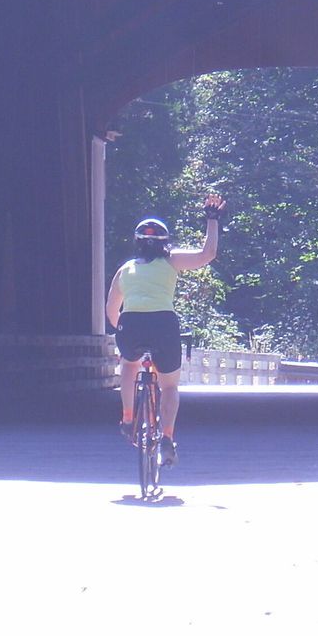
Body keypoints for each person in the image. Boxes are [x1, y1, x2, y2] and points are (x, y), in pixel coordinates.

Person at [104, 193, 226, 466]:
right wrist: (212, 219)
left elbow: (111, 311)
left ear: (137, 243)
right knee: (169, 386)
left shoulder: (125, 269)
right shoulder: (171, 260)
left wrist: (121, 329)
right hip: (163, 325)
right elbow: (207, 254)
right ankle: (167, 438)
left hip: (131, 324)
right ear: (165, 242)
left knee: (129, 366)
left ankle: (127, 418)